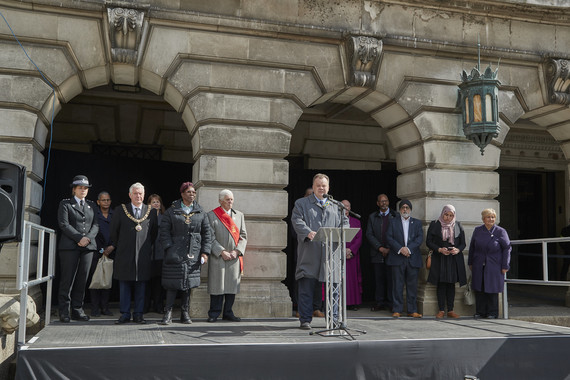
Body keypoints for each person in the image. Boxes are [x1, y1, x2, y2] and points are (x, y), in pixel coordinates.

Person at [291, 173, 348, 330]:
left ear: (328, 187)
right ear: (314, 187)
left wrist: (343, 232)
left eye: (324, 185)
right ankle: (305, 320)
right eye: (318, 185)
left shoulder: (337, 205)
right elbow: (297, 220)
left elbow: (345, 223)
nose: (321, 188)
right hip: (310, 253)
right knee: (306, 289)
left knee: (334, 290)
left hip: (331, 255)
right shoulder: (302, 203)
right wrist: (308, 232)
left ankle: (334, 319)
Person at [160, 183, 211, 324]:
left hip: (192, 253)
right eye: (189, 192)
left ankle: (185, 313)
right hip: (174, 253)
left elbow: (207, 234)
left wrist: (205, 252)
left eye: (194, 192)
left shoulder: (201, 212)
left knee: (187, 285)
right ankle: (168, 313)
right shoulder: (172, 211)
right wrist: (169, 248)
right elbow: (164, 232)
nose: (192, 194)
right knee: (172, 283)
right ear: (182, 194)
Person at [110, 182, 158, 324]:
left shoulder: (151, 212)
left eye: (141, 193)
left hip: (142, 256)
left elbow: (153, 233)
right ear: (130, 195)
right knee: (124, 285)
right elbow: (113, 232)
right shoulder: (120, 210)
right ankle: (125, 314)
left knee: (141, 286)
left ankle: (138, 314)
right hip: (124, 255)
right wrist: (124, 246)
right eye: (135, 193)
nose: (138, 196)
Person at [57, 175, 99, 323]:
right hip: (70, 247)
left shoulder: (92, 205)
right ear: (74, 189)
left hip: (87, 247)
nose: (83, 190)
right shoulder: (65, 204)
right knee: (67, 280)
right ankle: (64, 311)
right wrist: (78, 238)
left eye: (85, 188)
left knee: (82, 280)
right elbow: (63, 224)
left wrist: (87, 238)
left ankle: (77, 310)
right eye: (80, 188)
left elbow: (96, 225)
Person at [206, 189, 247, 323]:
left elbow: (243, 236)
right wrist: (221, 251)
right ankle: (214, 313)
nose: (230, 202)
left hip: (234, 257)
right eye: (227, 199)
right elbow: (209, 237)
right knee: (217, 286)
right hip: (218, 256)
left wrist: (237, 251)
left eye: (231, 199)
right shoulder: (211, 215)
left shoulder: (239, 215)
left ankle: (228, 312)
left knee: (231, 287)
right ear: (220, 201)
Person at [468, 208, 511, 319]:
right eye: (488, 217)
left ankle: (492, 312)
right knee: (479, 288)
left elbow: (507, 248)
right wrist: (470, 262)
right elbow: (472, 247)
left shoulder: (500, 231)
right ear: (483, 219)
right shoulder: (478, 230)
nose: (491, 219)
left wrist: (505, 265)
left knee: (492, 288)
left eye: (493, 217)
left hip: (494, 264)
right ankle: (480, 311)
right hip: (479, 263)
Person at [426, 205, 467, 318]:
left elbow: (463, 243)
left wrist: (457, 249)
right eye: (446, 214)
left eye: (451, 215)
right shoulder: (435, 224)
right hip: (440, 257)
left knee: (451, 284)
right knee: (441, 283)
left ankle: (450, 310)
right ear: (442, 213)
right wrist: (439, 249)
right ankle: (441, 310)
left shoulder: (458, 225)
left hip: (453, 258)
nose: (448, 217)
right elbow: (428, 241)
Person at [386, 199, 423, 318]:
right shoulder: (393, 222)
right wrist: (401, 249)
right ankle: (397, 309)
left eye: (407, 207)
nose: (405, 209)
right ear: (400, 209)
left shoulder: (417, 223)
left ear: (410, 210)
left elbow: (419, 239)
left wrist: (408, 249)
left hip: (412, 258)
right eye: (403, 207)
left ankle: (412, 310)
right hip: (397, 257)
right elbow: (389, 237)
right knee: (397, 284)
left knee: (412, 285)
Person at [292, 188, 325, 319]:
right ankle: (303, 311)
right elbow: (295, 228)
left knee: (318, 284)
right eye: (310, 194)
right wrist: (307, 233)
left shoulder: (328, 206)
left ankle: (316, 308)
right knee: (305, 284)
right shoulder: (300, 206)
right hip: (305, 252)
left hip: (322, 253)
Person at [366, 193, 397, 311]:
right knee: (379, 280)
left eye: (386, 201)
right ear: (378, 203)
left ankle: (391, 303)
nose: (384, 203)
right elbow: (369, 234)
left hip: (392, 253)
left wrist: (389, 248)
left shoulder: (395, 215)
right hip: (377, 253)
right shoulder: (372, 217)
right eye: (381, 201)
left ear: (388, 202)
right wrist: (380, 248)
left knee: (391, 280)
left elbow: (397, 234)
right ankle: (379, 302)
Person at [89, 191, 114, 317]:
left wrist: (112, 247)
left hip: (112, 252)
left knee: (107, 280)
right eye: (103, 200)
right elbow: (92, 234)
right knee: (96, 280)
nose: (106, 202)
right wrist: (101, 251)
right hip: (96, 252)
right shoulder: (94, 215)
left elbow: (119, 232)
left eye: (108, 200)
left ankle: (105, 307)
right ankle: (95, 308)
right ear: (98, 202)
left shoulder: (115, 215)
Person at [145, 194, 166, 314]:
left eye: (158, 202)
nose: (156, 204)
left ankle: (158, 305)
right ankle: (146, 305)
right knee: (147, 281)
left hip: (161, 253)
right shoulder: (145, 217)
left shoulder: (165, 217)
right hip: (148, 253)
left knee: (159, 282)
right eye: (153, 202)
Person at [341, 200, 362, 311]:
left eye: (347, 206)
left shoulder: (356, 222)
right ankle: (339, 303)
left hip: (351, 256)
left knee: (352, 280)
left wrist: (351, 250)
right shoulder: (335, 221)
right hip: (339, 255)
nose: (345, 208)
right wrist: (342, 250)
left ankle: (353, 303)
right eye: (343, 206)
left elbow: (359, 239)